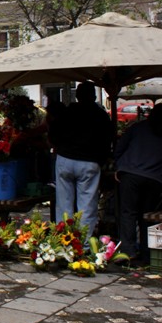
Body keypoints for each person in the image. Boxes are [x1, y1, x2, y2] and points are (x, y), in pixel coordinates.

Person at [114, 103, 162, 265]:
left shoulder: (138, 127)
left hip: (130, 174)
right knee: (147, 215)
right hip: (155, 178)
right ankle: (147, 253)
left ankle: (128, 251)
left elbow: (120, 146)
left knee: (128, 213)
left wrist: (119, 166)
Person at [48, 81, 112, 238]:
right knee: (87, 205)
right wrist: (101, 161)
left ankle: (64, 241)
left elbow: (53, 133)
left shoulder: (68, 112)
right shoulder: (101, 115)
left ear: (77, 95)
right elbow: (107, 140)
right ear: (94, 96)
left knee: (64, 204)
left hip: (65, 159)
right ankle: (83, 243)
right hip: (89, 162)